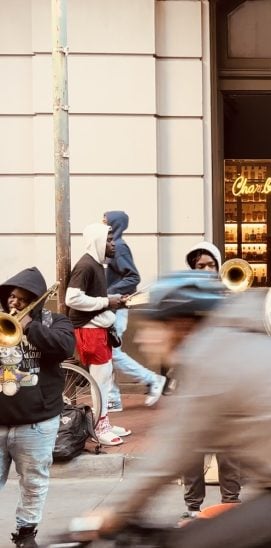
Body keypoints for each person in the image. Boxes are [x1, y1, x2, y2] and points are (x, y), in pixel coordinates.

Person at [84, 271, 271, 548]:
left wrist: (116, 514)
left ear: (180, 326)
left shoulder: (209, 359)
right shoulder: (243, 341)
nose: (141, 337)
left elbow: (169, 457)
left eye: (152, 326)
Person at [0, 267, 75, 547]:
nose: (14, 303)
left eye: (21, 298)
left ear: (35, 300)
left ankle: (26, 533)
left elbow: (66, 347)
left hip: (37, 423)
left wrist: (31, 327)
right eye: (10, 297)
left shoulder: (56, 322)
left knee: (33, 483)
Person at [179, 241, 242, 522]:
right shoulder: (184, 300)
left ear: (219, 267)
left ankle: (231, 502)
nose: (205, 270)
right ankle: (193, 506)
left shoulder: (231, 297)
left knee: (228, 448)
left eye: (209, 265)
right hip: (195, 383)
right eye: (199, 266)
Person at [65, 223, 130, 446]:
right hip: (90, 331)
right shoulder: (86, 266)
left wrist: (113, 301)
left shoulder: (94, 264)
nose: (114, 244)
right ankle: (100, 427)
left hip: (96, 329)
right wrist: (107, 301)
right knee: (101, 381)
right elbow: (71, 298)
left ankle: (103, 422)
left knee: (104, 378)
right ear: (98, 241)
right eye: (109, 240)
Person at [103, 211, 166, 411]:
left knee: (111, 353)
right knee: (108, 354)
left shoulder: (119, 247)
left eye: (105, 221)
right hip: (113, 307)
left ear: (115, 225)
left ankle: (152, 379)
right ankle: (113, 398)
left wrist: (108, 293)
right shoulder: (114, 246)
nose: (102, 223)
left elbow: (133, 278)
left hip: (116, 308)